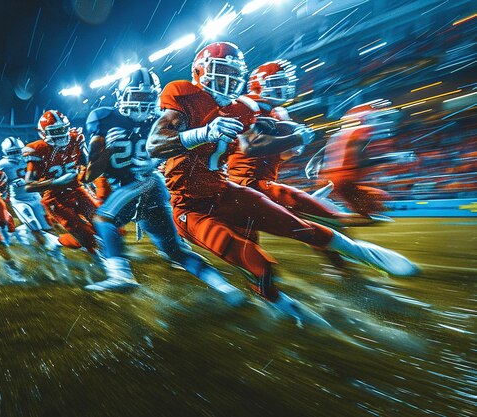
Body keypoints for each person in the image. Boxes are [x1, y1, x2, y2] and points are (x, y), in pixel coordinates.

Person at [146, 41, 419, 317]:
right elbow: (155, 145)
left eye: (232, 73)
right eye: (220, 72)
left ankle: (364, 254)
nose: (227, 80)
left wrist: (291, 134)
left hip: (225, 191)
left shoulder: (241, 108)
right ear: (199, 71)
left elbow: (259, 133)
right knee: (260, 263)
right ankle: (284, 308)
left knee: (298, 226)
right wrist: (203, 133)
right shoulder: (183, 94)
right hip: (190, 205)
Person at [82, 67, 245, 305]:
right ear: (122, 96)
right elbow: (90, 174)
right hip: (150, 187)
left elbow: (179, 149)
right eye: (138, 96)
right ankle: (225, 288)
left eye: (148, 97)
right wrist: (109, 149)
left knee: (103, 220)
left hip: (144, 182)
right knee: (174, 250)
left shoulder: (161, 120)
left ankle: (120, 275)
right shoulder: (106, 119)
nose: (143, 103)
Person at [227, 60, 369, 228]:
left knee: (305, 225)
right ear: (259, 84)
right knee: (300, 210)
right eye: (278, 82)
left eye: (285, 82)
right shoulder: (245, 105)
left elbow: (280, 155)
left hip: (261, 180)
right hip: (244, 181)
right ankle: (336, 218)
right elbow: (251, 147)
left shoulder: (276, 112)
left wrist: (291, 149)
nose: (284, 87)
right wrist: (296, 139)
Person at [23, 111, 100, 257]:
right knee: (86, 237)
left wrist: (90, 181)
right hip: (55, 198)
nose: (61, 135)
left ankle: (105, 254)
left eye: (63, 129)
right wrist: (57, 182)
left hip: (77, 189)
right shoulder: (38, 149)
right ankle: (58, 242)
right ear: (43, 133)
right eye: (55, 131)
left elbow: (86, 163)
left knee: (102, 223)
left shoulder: (75, 139)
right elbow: (29, 186)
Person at [315, 101, 409, 219]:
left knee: (378, 203)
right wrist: (389, 158)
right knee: (375, 205)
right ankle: (334, 216)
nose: (380, 123)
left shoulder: (342, 135)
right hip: (342, 182)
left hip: (336, 181)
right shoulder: (356, 134)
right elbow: (361, 163)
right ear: (362, 119)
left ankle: (334, 210)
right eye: (378, 118)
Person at [0, 136, 68, 270]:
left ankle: (54, 252)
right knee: (34, 225)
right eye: (12, 152)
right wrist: (8, 185)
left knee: (47, 226)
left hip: (35, 197)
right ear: (5, 152)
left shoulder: (29, 157)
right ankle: (47, 250)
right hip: (20, 200)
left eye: (18, 151)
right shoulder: (1, 165)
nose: (17, 155)